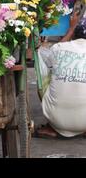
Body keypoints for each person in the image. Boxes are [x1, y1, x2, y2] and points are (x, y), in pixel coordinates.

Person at [35, 10, 86, 139]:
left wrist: (71, 27)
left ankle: (52, 127)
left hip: (56, 118)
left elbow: (48, 53)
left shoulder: (58, 48)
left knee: (44, 74)